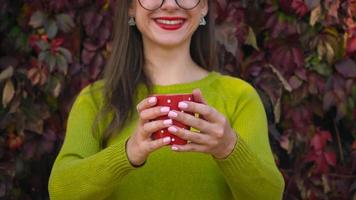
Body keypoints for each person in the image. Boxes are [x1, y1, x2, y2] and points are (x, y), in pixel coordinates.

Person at [48, 0, 285, 199]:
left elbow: (271, 194)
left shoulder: (239, 97)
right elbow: (60, 191)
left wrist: (229, 148)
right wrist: (127, 154)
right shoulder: (97, 100)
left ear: (204, 6)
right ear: (131, 7)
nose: (170, 5)